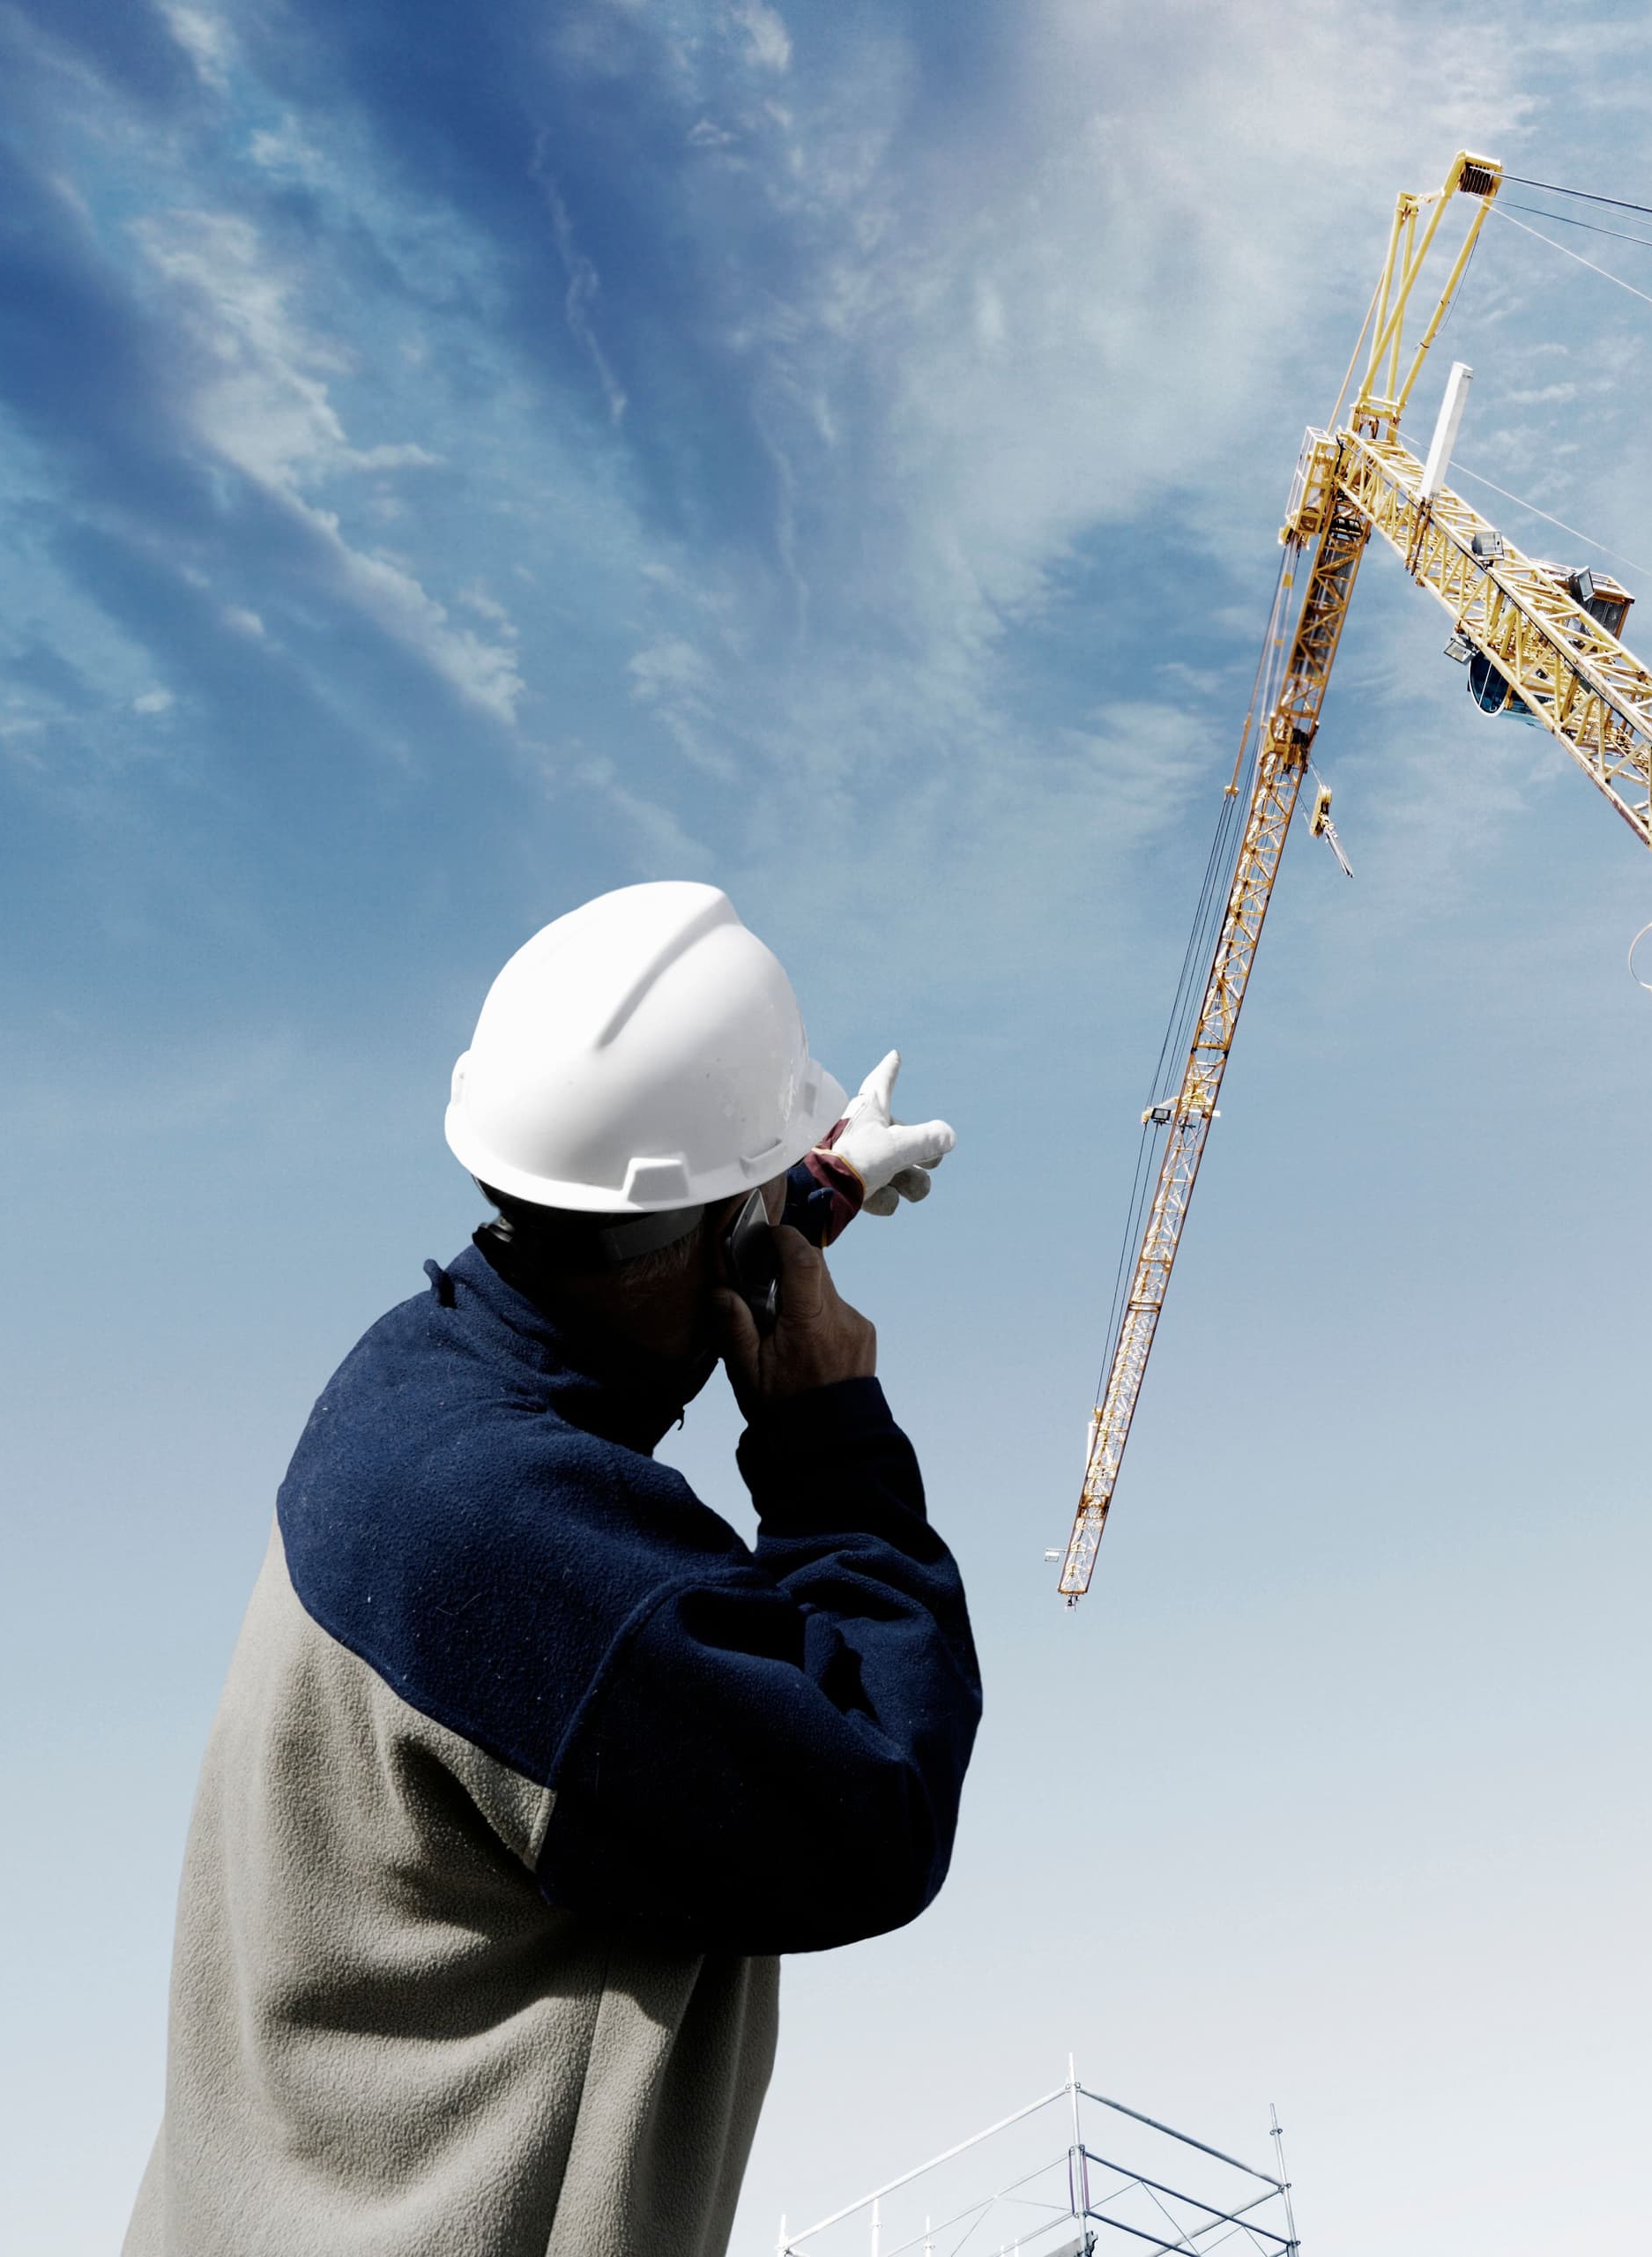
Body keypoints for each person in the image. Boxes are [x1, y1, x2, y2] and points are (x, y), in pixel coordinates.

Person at [127, 882, 980, 2257]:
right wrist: (831, 1449)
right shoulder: (523, 1545)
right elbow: (874, 1795)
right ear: (704, 1233)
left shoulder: (417, 1389)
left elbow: (605, 1328)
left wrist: (795, 1199)